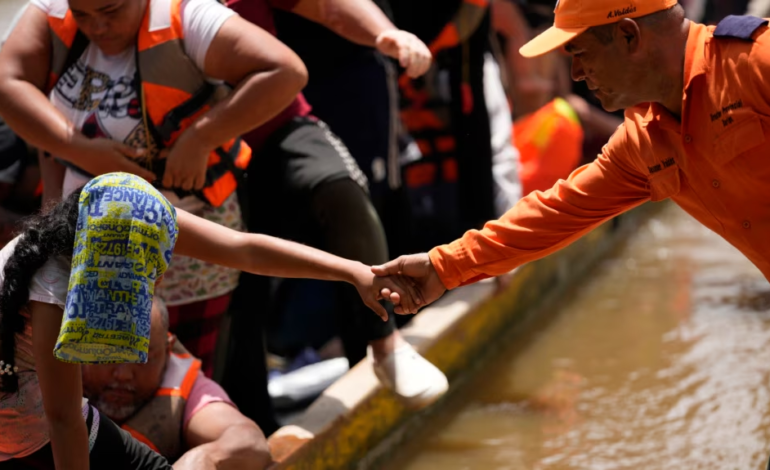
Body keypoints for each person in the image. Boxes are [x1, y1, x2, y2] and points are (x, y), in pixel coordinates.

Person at [374, 0, 770, 326]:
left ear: (629, 35)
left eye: (581, 53)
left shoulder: (757, 63)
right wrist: (443, 268)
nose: (577, 74)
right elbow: (556, 212)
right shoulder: (643, 140)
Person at [0, 171, 418, 469]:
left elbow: (245, 249)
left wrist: (353, 271)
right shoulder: (52, 293)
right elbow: (64, 419)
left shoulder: (130, 216)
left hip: (54, 417)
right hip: (25, 432)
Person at [0, 0, 309, 377]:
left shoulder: (187, 15)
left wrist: (201, 137)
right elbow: (6, 82)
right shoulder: (52, 11)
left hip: (192, 239)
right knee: (105, 380)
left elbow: (286, 71)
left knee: (187, 375)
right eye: (83, 15)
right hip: (93, 245)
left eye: (111, 11)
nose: (97, 26)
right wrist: (77, 148)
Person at [219, 0, 447, 434]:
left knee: (343, 192)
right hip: (196, 151)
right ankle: (254, 427)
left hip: (278, 124)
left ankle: (385, 344)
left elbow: (327, 7)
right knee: (238, 292)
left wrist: (387, 33)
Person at [83, 300, 272, 470]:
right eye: (109, 354)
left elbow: (249, 440)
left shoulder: (184, 384)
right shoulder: (60, 374)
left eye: (143, 358)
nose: (123, 374)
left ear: (168, 350)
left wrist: (208, 457)